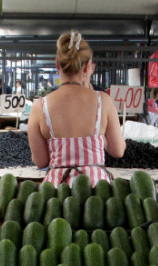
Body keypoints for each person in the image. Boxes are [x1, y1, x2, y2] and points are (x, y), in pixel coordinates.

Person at [28, 30, 125, 188]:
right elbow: (118, 150)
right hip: (96, 192)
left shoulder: (40, 106)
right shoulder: (103, 101)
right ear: (87, 66)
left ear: (57, 64)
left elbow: (40, 161)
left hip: (56, 193)